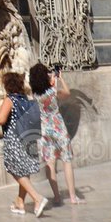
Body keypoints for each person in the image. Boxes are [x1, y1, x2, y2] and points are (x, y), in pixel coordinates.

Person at [0, 70, 48, 218]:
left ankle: (37, 198)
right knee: (24, 172)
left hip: (15, 139)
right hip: (29, 138)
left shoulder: (10, 99)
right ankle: (20, 202)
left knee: (13, 168)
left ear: (8, 85)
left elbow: (0, 119)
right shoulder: (26, 99)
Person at [28, 62, 84, 204]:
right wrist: (60, 78)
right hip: (58, 128)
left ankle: (57, 197)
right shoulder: (53, 92)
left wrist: (51, 80)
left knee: (50, 163)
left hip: (44, 131)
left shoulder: (35, 95)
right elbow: (67, 93)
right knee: (66, 161)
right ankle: (72, 196)